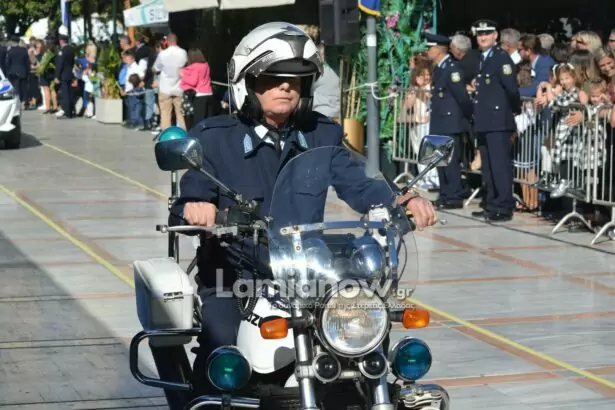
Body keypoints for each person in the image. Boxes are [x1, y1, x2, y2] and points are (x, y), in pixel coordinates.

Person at [168, 22, 438, 394]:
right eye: (273, 78)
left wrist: (399, 200)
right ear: (246, 82)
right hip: (233, 278)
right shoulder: (215, 139)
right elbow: (189, 197)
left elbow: (359, 181)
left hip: (308, 275)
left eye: (296, 80)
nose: (286, 87)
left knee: (366, 333)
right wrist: (195, 208)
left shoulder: (321, 134)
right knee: (223, 352)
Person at [470, 19, 521, 222]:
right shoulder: (483, 58)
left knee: (500, 165)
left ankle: (503, 205)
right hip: (484, 119)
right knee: (489, 166)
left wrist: (511, 112)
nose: (482, 37)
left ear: (495, 36)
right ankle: (492, 203)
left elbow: (511, 90)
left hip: (498, 120)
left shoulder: (501, 58)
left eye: (487, 34)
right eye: (480, 34)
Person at [425, 33, 473, 209]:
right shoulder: (440, 68)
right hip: (439, 120)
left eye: (430, 48)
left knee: (451, 161)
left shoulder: (452, 69)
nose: (427, 51)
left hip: (450, 122)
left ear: (439, 49)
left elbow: (462, 97)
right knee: (440, 160)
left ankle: (453, 196)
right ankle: (445, 194)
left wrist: (467, 116)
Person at [55, 34, 75, 119]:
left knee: (65, 94)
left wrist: (57, 76)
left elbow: (60, 64)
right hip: (69, 74)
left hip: (63, 75)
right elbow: (72, 62)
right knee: (70, 93)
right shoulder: (71, 49)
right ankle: (71, 111)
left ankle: (67, 112)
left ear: (61, 41)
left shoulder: (62, 51)